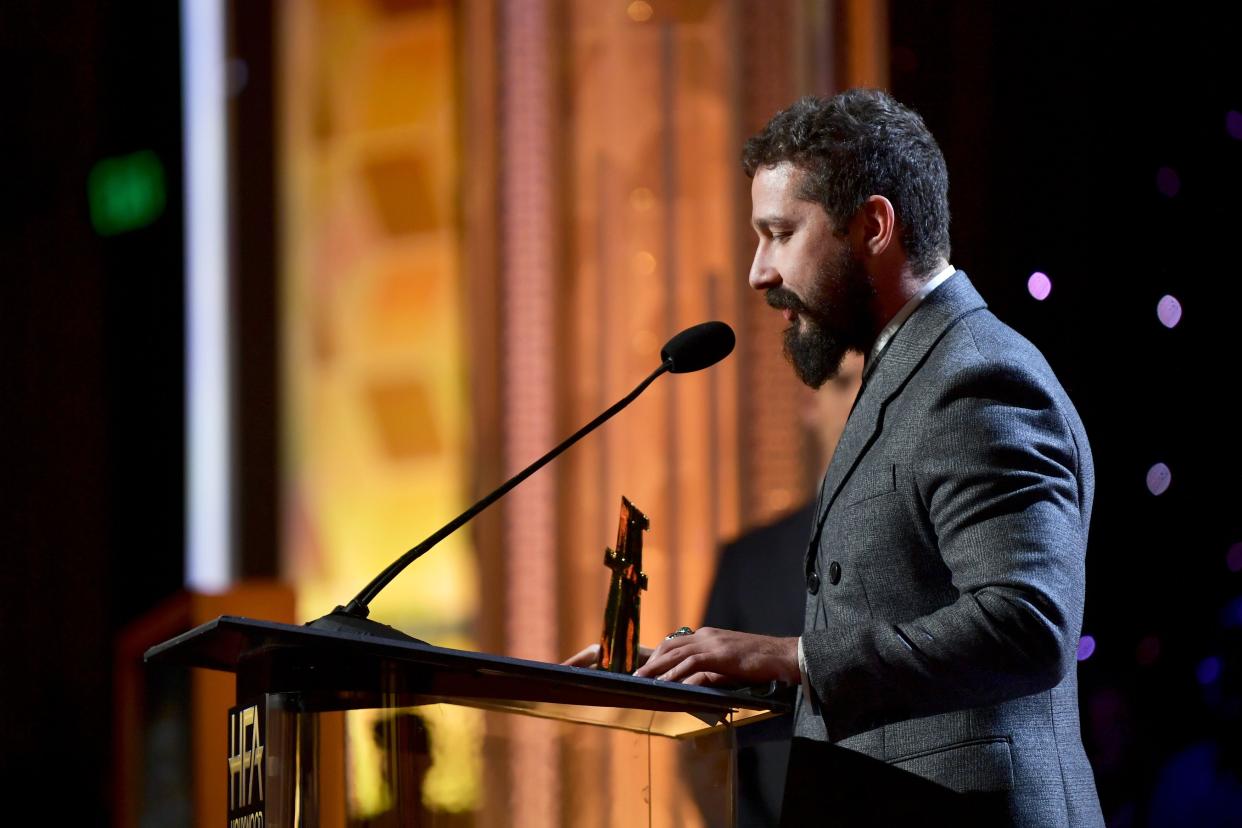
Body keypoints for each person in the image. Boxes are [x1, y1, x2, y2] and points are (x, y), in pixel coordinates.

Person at [567, 88, 1102, 825]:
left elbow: (1027, 626)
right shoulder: (908, 368)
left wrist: (792, 656)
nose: (759, 271)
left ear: (873, 226)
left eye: (779, 233)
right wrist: (685, 673)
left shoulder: (974, 378)